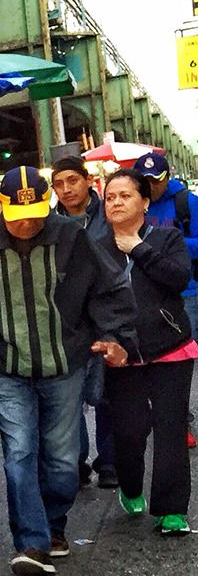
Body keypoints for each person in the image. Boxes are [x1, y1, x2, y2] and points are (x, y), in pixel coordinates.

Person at [0, 166, 137, 576]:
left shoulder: (71, 237)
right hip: (3, 367)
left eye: (36, 214)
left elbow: (109, 289)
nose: (27, 223)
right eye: (17, 216)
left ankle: (53, 524)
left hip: (64, 364)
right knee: (19, 452)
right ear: (1, 207)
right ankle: (31, 542)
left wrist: (116, 338)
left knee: (63, 459)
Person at [97, 169, 196, 535]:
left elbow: (178, 278)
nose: (116, 202)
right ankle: (130, 485)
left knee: (170, 428)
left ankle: (172, 511)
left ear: (144, 202)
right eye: (110, 197)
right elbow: (87, 301)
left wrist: (138, 249)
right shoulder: (95, 248)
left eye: (125, 195)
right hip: (121, 356)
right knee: (130, 431)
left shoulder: (167, 238)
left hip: (170, 348)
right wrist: (106, 342)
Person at [50, 155, 115, 489]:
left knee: (107, 394)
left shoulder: (109, 214)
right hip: (66, 321)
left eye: (72, 180)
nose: (66, 189)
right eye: (58, 184)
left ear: (88, 180)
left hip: (105, 315)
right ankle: (75, 463)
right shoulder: (49, 223)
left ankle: (110, 462)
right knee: (68, 397)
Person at [134, 150, 198, 449]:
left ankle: (180, 420)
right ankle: (171, 419)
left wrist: (168, 243)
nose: (151, 186)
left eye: (156, 180)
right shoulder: (134, 204)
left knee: (179, 361)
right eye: (145, 181)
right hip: (146, 293)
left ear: (167, 177)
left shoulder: (187, 202)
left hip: (186, 292)